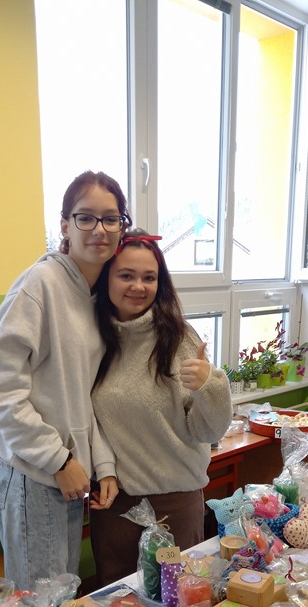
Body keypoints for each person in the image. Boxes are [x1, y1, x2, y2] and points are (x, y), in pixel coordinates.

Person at [0, 170, 129, 589]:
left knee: (60, 603)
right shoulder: (40, 284)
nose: (99, 229)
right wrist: (58, 460)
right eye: (86, 217)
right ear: (65, 225)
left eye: (111, 218)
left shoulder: (95, 296)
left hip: (67, 477)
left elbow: (85, 397)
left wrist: (103, 466)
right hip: (34, 476)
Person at [89, 229, 233, 585]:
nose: (138, 286)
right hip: (115, 506)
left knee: (181, 601)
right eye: (126, 275)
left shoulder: (178, 338)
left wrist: (210, 385)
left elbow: (210, 431)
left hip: (174, 503)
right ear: (107, 278)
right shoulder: (93, 339)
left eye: (149, 277)